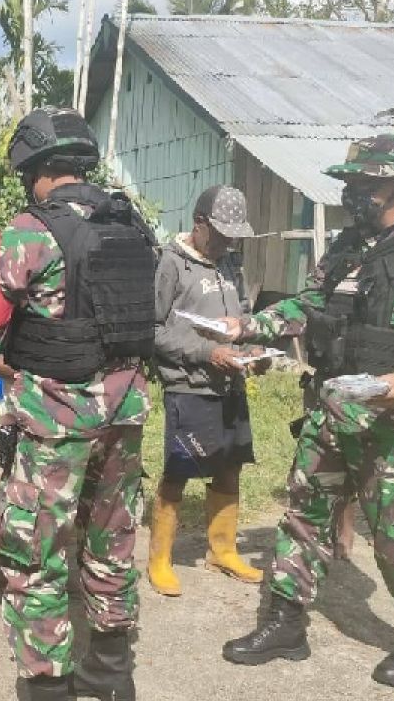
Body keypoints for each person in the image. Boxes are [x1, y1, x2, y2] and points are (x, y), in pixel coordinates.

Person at [216, 135, 394, 688]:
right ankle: (286, 623)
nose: (350, 194)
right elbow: (310, 305)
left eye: (360, 185)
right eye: (347, 184)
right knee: (302, 514)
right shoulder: (348, 246)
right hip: (332, 408)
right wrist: (247, 325)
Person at [0, 107, 158, 701]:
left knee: (33, 553)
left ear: (34, 168)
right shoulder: (132, 226)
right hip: (125, 412)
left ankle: (47, 686)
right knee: (111, 540)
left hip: (54, 421)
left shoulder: (29, 231)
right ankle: (112, 674)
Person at [149, 186, 265, 597]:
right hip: (190, 385)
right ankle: (160, 558)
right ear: (199, 224)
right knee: (180, 470)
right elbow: (153, 330)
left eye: (234, 235)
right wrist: (205, 352)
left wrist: (254, 350)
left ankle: (223, 550)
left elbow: (244, 316)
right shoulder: (170, 264)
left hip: (230, 380)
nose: (228, 242)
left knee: (230, 464)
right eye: (220, 233)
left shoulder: (231, 263)